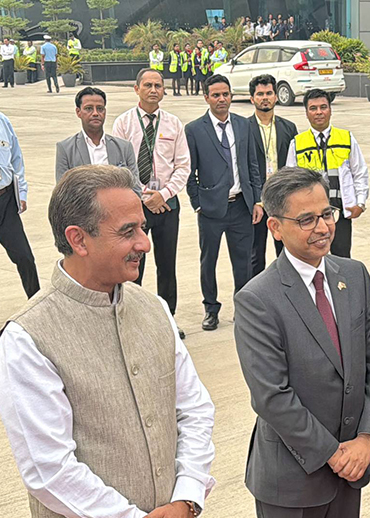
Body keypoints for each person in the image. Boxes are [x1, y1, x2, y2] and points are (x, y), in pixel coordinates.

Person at [0, 165, 215, 518]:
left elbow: (195, 411)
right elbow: (49, 470)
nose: (145, 243)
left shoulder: (153, 308)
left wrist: (185, 503)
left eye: (143, 228)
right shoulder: (29, 336)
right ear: (78, 238)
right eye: (128, 232)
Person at [234, 166, 370, 518]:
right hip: (294, 475)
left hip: (351, 468)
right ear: (274, 226)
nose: (323, 227)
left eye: (327, 213)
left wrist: (365, 440)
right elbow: (271, 396)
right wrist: (333, 453)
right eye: (306, 220)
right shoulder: (258, 299)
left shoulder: (353, 275)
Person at [112, 68, 191, 336]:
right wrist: (146, 195)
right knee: (135, 264)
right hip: (135, 206)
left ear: (164, 91)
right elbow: (121, 167)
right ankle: (134, 320)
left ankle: (168, 318)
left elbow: (183, 166)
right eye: (148, 85)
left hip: (168, 204)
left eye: (158, 85)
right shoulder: (123, 123)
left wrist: (163, 194)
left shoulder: (173, 124)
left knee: (167, 264)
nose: (153, 89)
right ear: (137, 89)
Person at [185, 74, 263, 332]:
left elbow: (252, 164)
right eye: (216, 95)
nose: (221, 99)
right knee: (209, 261)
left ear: (231, 95)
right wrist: (197, 202)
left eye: (225, 94)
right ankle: (211, 309)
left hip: (242, 206)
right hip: (211, 209)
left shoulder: (244, 125)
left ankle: (242, 308)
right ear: (206, 97)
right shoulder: (195, 129)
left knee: (243, 262)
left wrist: (257, 200)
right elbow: (190, 171)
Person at [286, 89, 369, 258]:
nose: (319, 112)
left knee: (342, 258)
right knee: (313, 256)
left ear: (330, 110)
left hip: (341, 211)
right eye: (313, 108)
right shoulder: (298, 143)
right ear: (307, 113)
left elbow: (359, 172)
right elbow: (290, 182)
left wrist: (360, 203)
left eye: (323, 107)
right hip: (310, 215)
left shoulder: (346, 138)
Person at [248, 74, 297, 275]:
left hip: (282, 200)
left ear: (276, 96)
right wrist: (254, 200)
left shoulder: (289, 127)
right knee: (254, 255)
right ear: (252, 99)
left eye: (269, 93)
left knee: (286, 252)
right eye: (260, 94)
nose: (265, 97)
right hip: (256, 203)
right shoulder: (244, 128)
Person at [55, 87, 139, 187]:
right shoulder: (66, 148)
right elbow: (62, 192)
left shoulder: (124, 147)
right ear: (78, 112)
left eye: (100, 109)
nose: (95, 113)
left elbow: (135, 188)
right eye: (89, 108)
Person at [0, 110, 39, 298]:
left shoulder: (2, 121)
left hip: (6, 201)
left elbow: (16, 160)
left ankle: (37, 307)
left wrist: (21, 192)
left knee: (25, 258)